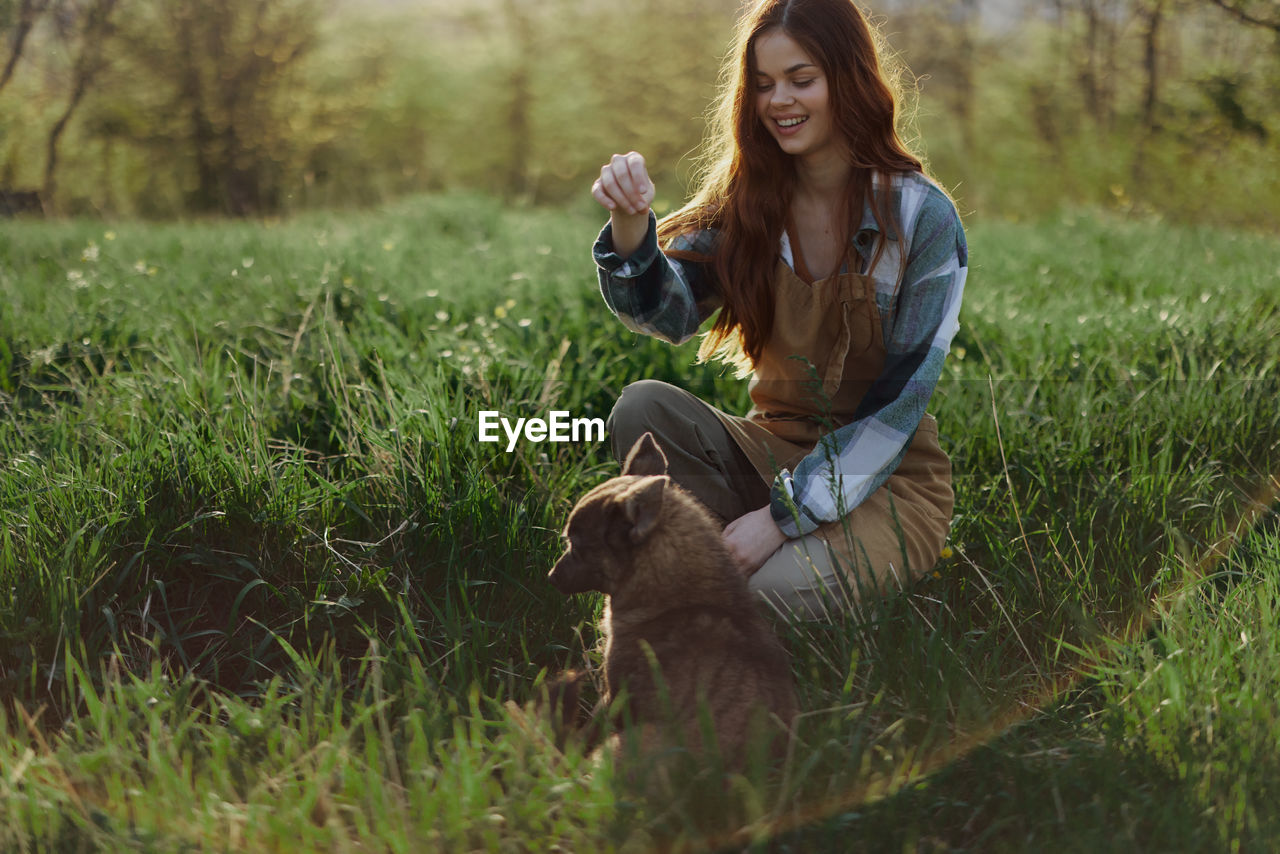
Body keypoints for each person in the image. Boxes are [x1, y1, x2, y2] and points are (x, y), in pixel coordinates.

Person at [589, 0, 967, 619]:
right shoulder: (750, 203)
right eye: (763, 85)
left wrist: (780, 520)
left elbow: (896, 414)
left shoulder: (923, 219)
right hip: (770, 450)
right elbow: (668, 316)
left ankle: (704, 578)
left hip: (884, 482)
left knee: (764, 594)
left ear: (848, 79)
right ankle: (698, 573)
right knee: (643, 407)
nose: (779, 101)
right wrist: (631, 231)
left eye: (801, 79)